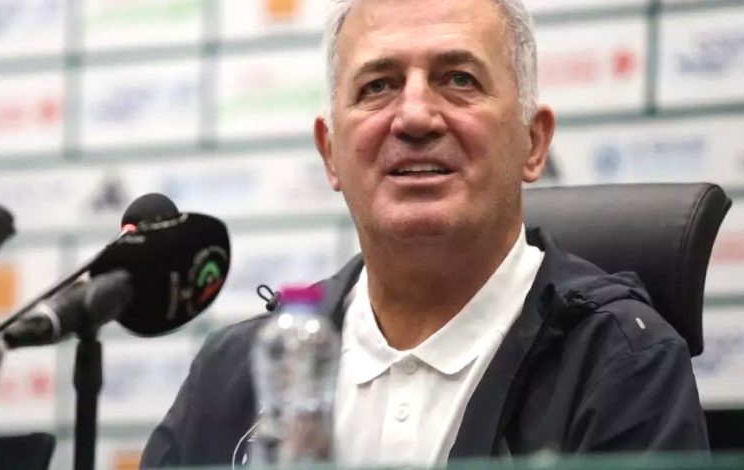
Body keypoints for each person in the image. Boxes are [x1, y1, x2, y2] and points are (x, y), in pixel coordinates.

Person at [141, 0, 708, 467]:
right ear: (330, 153)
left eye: (459, 79)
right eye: (378, 85)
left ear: (533, 143)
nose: (414, 117)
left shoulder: (623, 365)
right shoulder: (236, 372)